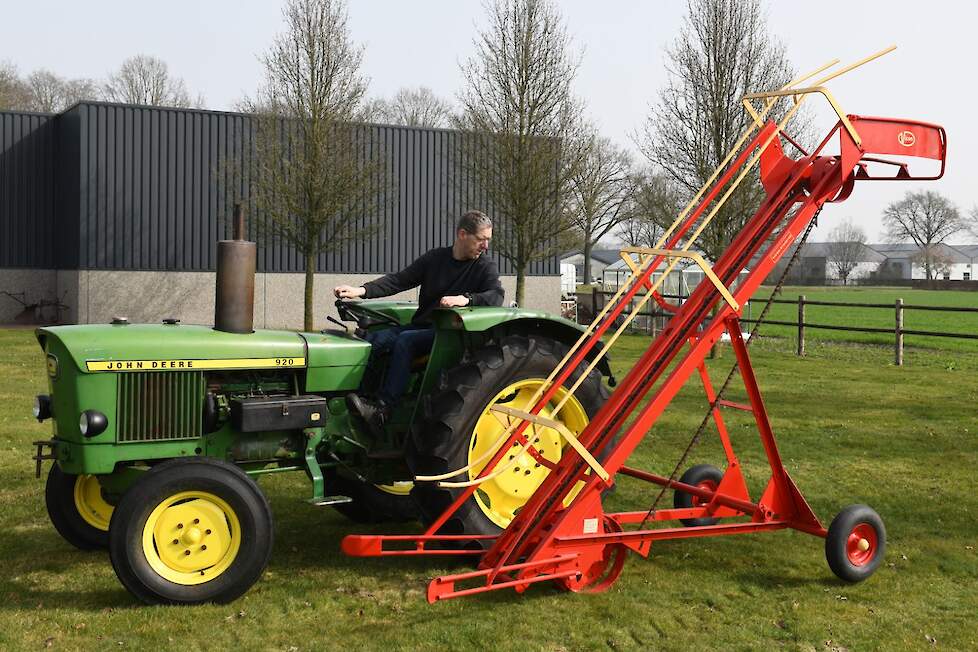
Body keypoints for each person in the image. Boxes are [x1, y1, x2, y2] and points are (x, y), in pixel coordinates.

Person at [334, 210, 504, 434]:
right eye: (481, 240)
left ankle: (383, 409)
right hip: (421, 326)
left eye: (488, 240)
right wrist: (361, 290)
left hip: (448, 334)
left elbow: (496, 295)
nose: (486, 246)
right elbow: (399, 280)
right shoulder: (435, 259)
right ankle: (362, 401)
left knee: (405, 341)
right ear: (462, 234)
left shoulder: (484, 266)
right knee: (372, 340)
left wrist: (467, 299)